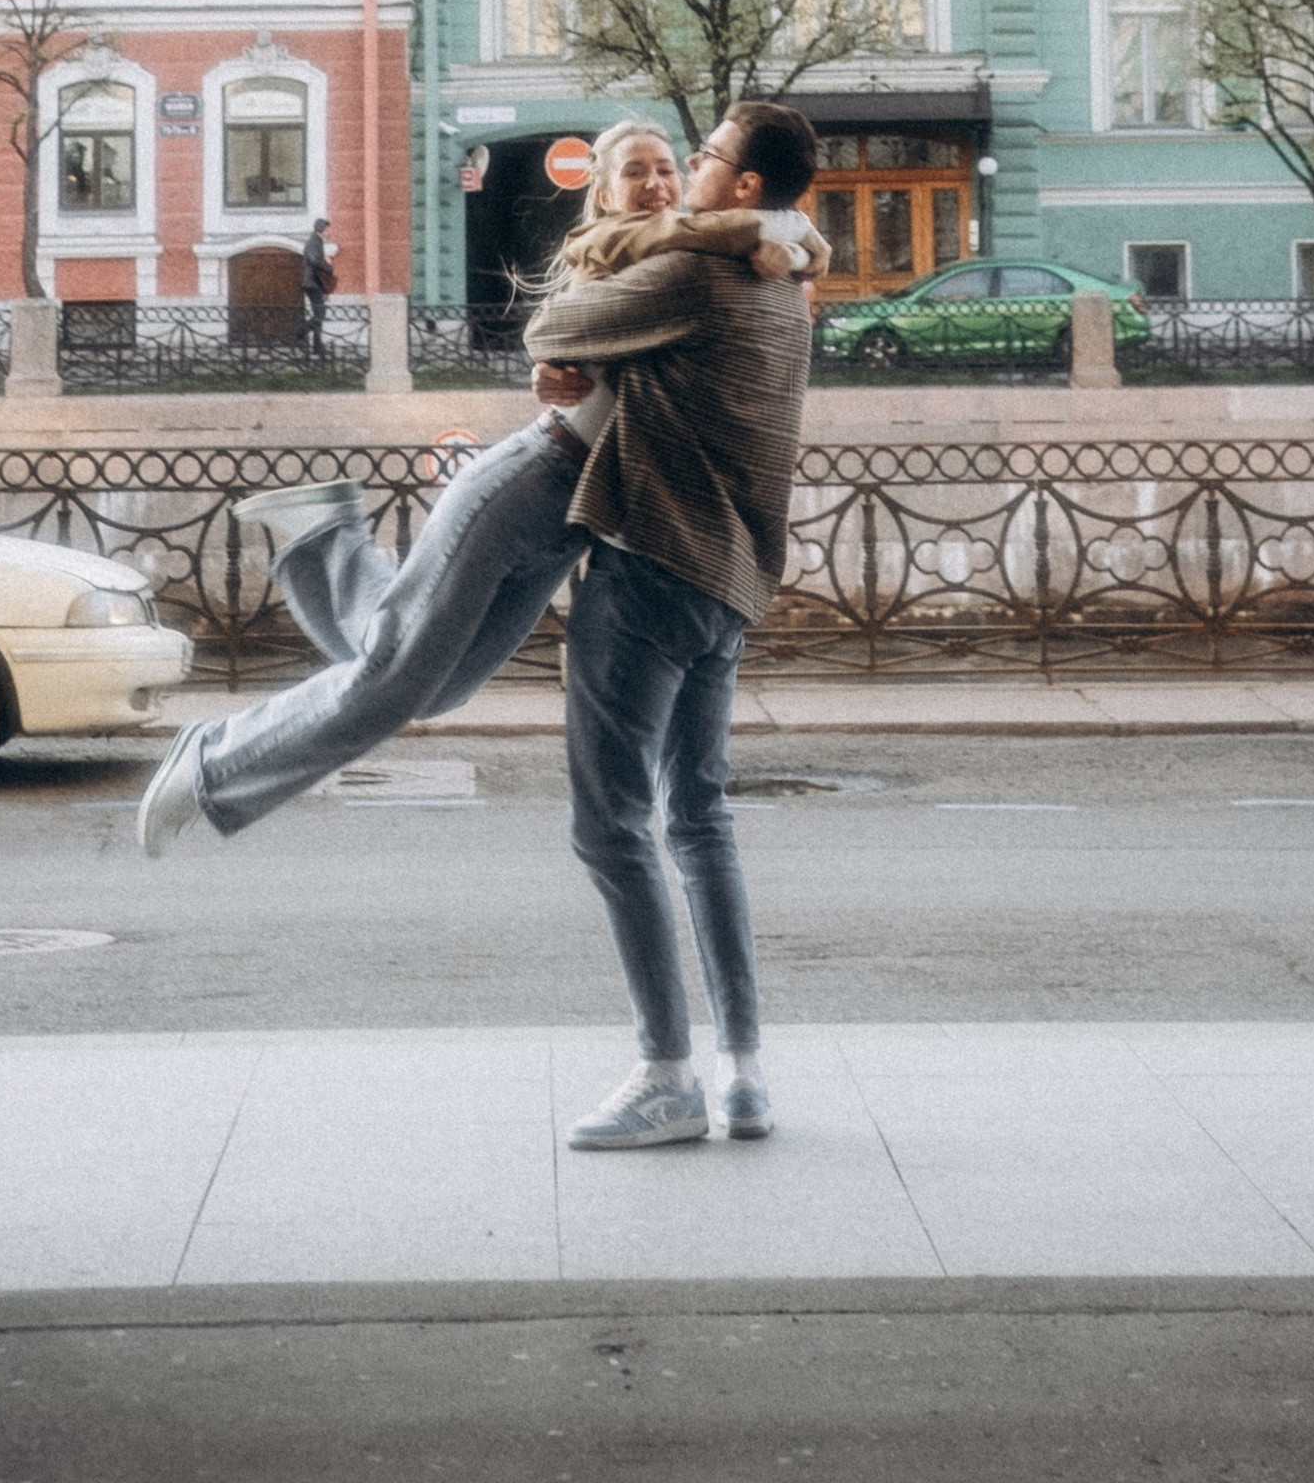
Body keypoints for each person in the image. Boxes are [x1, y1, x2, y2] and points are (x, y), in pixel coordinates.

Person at [136, 120, 820, 855]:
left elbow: (795, 235)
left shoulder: (697, 246)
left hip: (574, 517)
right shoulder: (645, 254)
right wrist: (553, 362)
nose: (656, 184)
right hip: (526, 483)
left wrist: (785, 243)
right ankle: (211, 761)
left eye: (667, 169)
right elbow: (563, 333)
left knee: (437, 684)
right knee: (397, 672)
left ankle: (323, 534)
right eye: (635, 174)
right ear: (606, 190)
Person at [522, 97, 821, 1156]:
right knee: (700, 819)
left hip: (650, 563)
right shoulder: (791, 283)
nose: (688, 170)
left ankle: (664, 1076)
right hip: (730, 582)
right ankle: (744, 1074)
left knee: (610, 826)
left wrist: (574, 362)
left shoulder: (698, 274)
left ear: (743, 188)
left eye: (705, 159)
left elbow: (551, 327)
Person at [299, 215, 337, 354]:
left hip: (314, 283)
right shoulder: (313, 242)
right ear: (321, 229)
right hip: (312, 283)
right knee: (320, 313)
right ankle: (301, 333)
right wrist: (329, 268)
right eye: (327, 229)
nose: (329, 232)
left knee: (319, 313)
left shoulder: (317, 241)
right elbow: (315, 260)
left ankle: (316, 345)